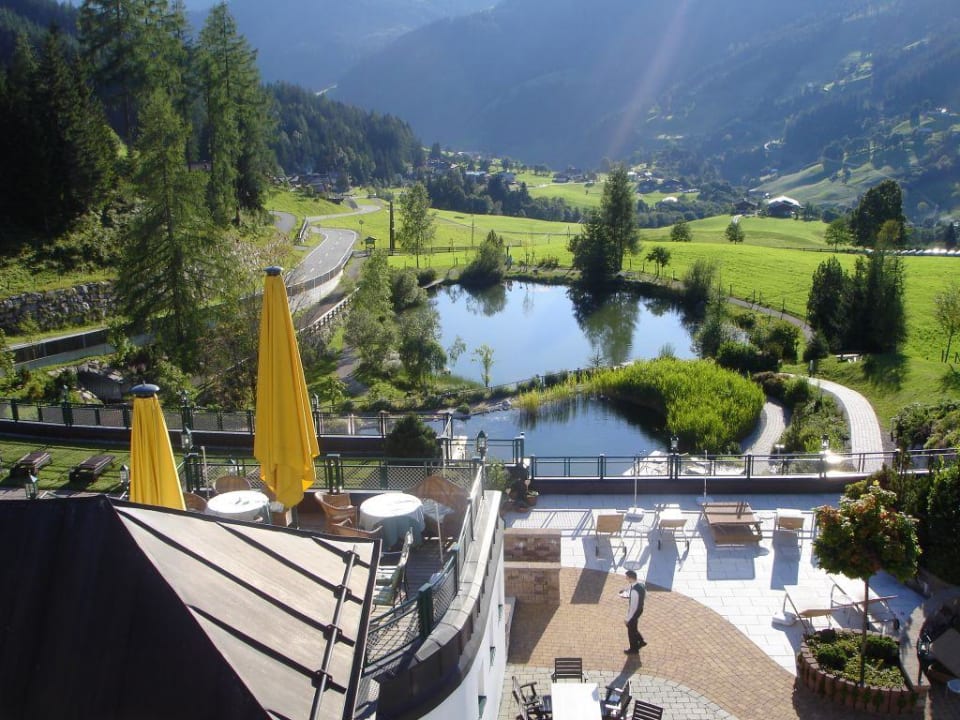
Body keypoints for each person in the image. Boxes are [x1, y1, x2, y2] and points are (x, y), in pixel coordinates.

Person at [621, 569, 646, 654]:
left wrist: (627, 619)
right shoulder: (641, 585)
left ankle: (633, 649)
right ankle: (641, 641)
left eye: (627, 578)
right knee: (633, 627)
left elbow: (633, 607)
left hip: (635, 612)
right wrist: (625, 589)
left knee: (631, 630)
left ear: (631, 578)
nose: (626, 579)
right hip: (640, 609)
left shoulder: (634, 591)